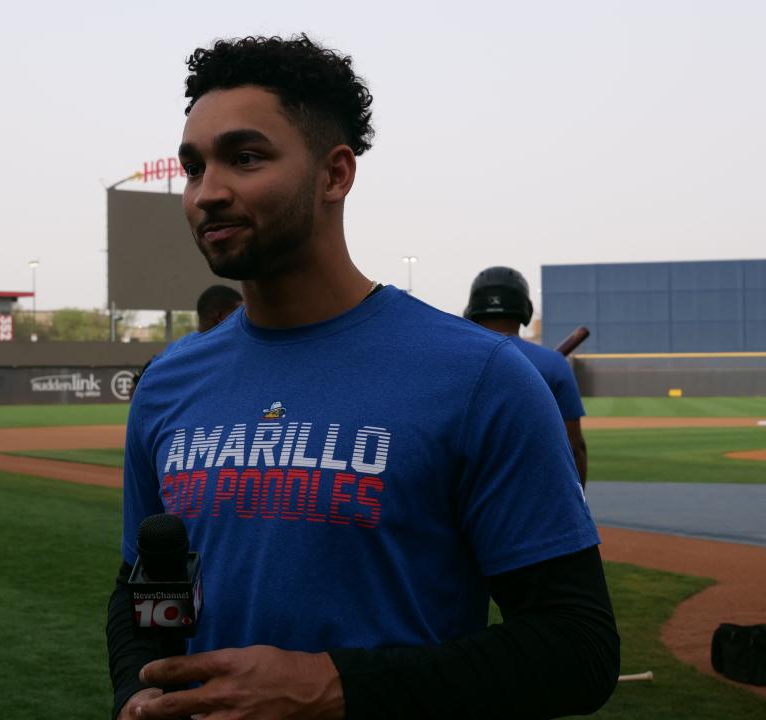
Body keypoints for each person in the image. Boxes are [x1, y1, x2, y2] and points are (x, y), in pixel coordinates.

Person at [107, 34, 619, 720]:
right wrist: (131, 693)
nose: (209, 193)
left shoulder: (479, 378)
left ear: (335, 174)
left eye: (246, 158)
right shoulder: (168, 383)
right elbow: (138, 591)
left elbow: (577, 648)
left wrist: (338, 687)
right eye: (195, 168)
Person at [464, 266, 588, 488]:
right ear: (525, 309)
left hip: (466, 497)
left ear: (472, 309)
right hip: (533, 496)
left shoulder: (456, 360)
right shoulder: (554, 364)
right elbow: (574, 447)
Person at [130, 284, 243, 393]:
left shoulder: (174, 349)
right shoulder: (227, 350)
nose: (243, 320)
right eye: (239, 314)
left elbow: (138, 382)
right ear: (219, 316)